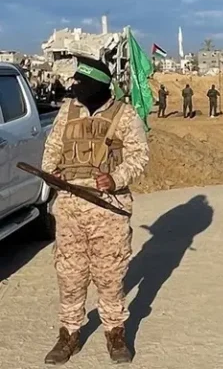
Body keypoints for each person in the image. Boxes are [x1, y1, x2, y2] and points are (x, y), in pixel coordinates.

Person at [41, 56, 149, 364]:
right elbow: (50, 152)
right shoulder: (67, 112)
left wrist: (115, 179)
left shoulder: (124, 115)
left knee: (110, 275)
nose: (75, 88)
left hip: (108, 209)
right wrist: (54, 175)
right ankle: (69, 334)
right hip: (70, 209)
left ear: (99, 85)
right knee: (69, 274)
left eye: (81, 83)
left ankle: (115, 334)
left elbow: (139, 157)